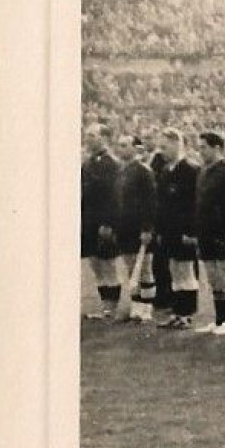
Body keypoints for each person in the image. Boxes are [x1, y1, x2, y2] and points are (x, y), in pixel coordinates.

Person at [194, 130, 225, 336]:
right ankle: (219, 319)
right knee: (213, 278)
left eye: (203, 147)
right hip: (206, 232)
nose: (200, 152)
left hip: (224, 232)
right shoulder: (204, 172)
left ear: (217, 148)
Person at [154, 127, 201, 330]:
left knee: (186, 272)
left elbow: (195, 205)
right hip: (168, 231)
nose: (161, 151)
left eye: (165, 147)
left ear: (176, 144)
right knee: (174, 271)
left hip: (184, 232)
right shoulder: (166, 171)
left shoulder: (191, 170)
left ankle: (187, 314)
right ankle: (177, 311)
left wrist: (191, 232)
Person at [113, 134, 158, 323]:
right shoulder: (122, 171)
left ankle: (145, 309)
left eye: (125, 145)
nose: (120, 149)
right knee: (131, 268)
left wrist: (147, 228)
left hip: (140, 227)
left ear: (136, 148)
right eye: (120, 145)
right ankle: (135, 307)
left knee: (145, 268)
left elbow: (150, 202)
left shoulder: (143, 171)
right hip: (125, 227)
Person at [80, 122, 122, 319]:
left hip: (104, 221)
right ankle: (105, 305)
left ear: (104, 138)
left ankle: (111, 308)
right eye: (87, 135)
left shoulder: (112, 164)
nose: (88, 139)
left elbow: (114, 197)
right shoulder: (88, 163)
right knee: (94, 263)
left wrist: (109, 223)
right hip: (88, 220)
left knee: (108, 264)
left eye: (93, 136)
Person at [146, 134, 174, 318]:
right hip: (159, 217)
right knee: (161, 260)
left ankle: (167, 297)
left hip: (166, 217)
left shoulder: (166, 165)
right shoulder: (158, 161)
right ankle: (164, 296)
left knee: (169, 261)